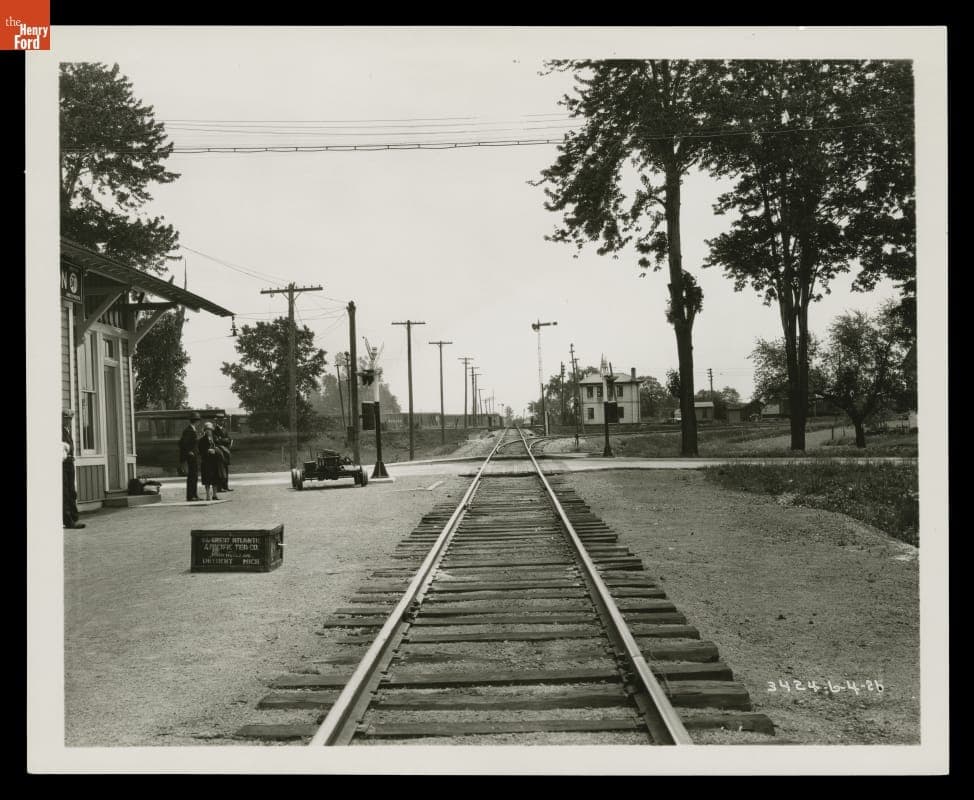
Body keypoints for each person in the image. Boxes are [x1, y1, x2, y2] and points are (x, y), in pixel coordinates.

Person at [62, 409, 85, 529]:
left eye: (70, 418)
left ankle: (74, 517)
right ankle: (68, 520)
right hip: (63, 463)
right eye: (66, 418)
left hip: (70, 463)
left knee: (71, 490)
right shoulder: (59, 431)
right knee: (65, 491)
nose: (68, 421)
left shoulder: (67, 431)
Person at [198, 421, 227, 501]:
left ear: (212, 430)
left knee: (215, 479)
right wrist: (207, 451)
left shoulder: (215, 438)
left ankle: (214, 495)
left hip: (215, 461)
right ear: (204, 430)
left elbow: (220, 446)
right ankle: (207, 495)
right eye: (207, 429)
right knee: (207, 479)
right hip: (206, 462)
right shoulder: (202, 440)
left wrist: (216, 450)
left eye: (210, 429)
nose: (208, 431)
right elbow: (200, 451)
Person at [179, 412, 202, 501]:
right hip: (191, 457)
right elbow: (183, 443)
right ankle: (191, 496)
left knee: (194, 476)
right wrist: (189, 451)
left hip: (194, 456)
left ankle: (194, 495)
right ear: (197, 421)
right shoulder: (189, 430)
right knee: (192, 476)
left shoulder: (192, 430)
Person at [212, 417, 233, 492]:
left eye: (223, 420)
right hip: (219, 452)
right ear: (217, 421)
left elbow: (229, 439)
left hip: (225, 452)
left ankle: (225, 486)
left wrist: (222, 439)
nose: (222, 422)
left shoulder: (225, 430)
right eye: (220, 420)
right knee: (219, 470)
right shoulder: (214, 430)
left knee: (226, 469)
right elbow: (216, 441)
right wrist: (225, 440)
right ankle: (219, 487)